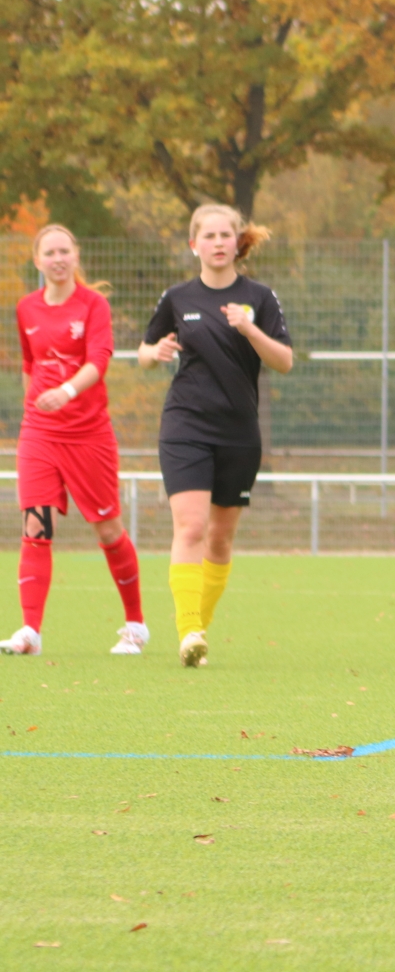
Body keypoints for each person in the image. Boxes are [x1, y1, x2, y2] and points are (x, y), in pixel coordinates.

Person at [137, 205, 294, 668]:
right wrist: (156, 351)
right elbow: (144, 353)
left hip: (239, 432)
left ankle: (197, 630)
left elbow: (284, 361)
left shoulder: (260, 297)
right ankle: (188, 631)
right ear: (194, 244)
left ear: (237, 242)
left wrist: (248, 329)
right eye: (209, 235)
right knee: (190, 526)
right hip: (185, 424)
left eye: (227, 234)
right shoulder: (177, 298)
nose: (219, 242)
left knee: (220, 540)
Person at [0, 226, 145, 657]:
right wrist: (35, 409)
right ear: (37, 259)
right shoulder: (26, 308)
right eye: (50, 252)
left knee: (108, 528)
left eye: (65, 251)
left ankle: (135, 625)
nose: (58, 258)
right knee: (36, 528)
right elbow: (30, 364)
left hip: (88, 434)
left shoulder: (94, 305)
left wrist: (65, 392)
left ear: (76, 256)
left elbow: (99, 360)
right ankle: (30, 631)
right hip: (40, 434)